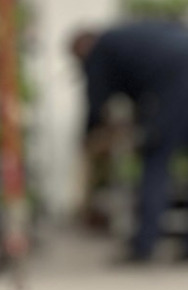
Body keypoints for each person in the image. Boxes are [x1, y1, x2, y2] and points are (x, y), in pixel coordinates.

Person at [71, 21, 188, 262]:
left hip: (175, 83)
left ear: (83, 47)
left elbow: (95, 103)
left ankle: (143, 246)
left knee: (155, 158)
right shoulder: (126, 38)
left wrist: (88, 138)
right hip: (177, 76)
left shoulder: (100, 50)